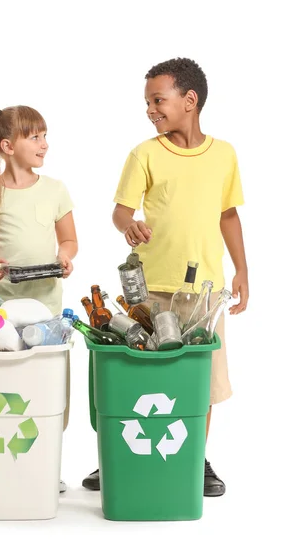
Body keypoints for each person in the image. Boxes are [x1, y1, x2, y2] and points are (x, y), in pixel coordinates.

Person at [82, 58, 248, 496]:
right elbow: (121, 210)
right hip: (150, 288)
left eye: (159, 100)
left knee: (203, 381)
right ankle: (120, 453)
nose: (150, 109)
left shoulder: (224, 154)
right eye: (147, 102)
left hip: (206, 291)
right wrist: (127, 225)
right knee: (138, 374)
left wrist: (242, 270)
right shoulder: (145, 153)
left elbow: (228, 215)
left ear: (189, 100)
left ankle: (194, 456)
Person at [0, 105, 78, 492]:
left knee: (47, 389)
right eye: (35, 137)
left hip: (44, 306)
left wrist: (65, 257)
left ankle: (44, 467)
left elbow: (69, 239)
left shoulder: (55, 190)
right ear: (8, 146)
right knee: (3, 387)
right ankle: (2, 468)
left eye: (45, 135)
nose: (44, 144)